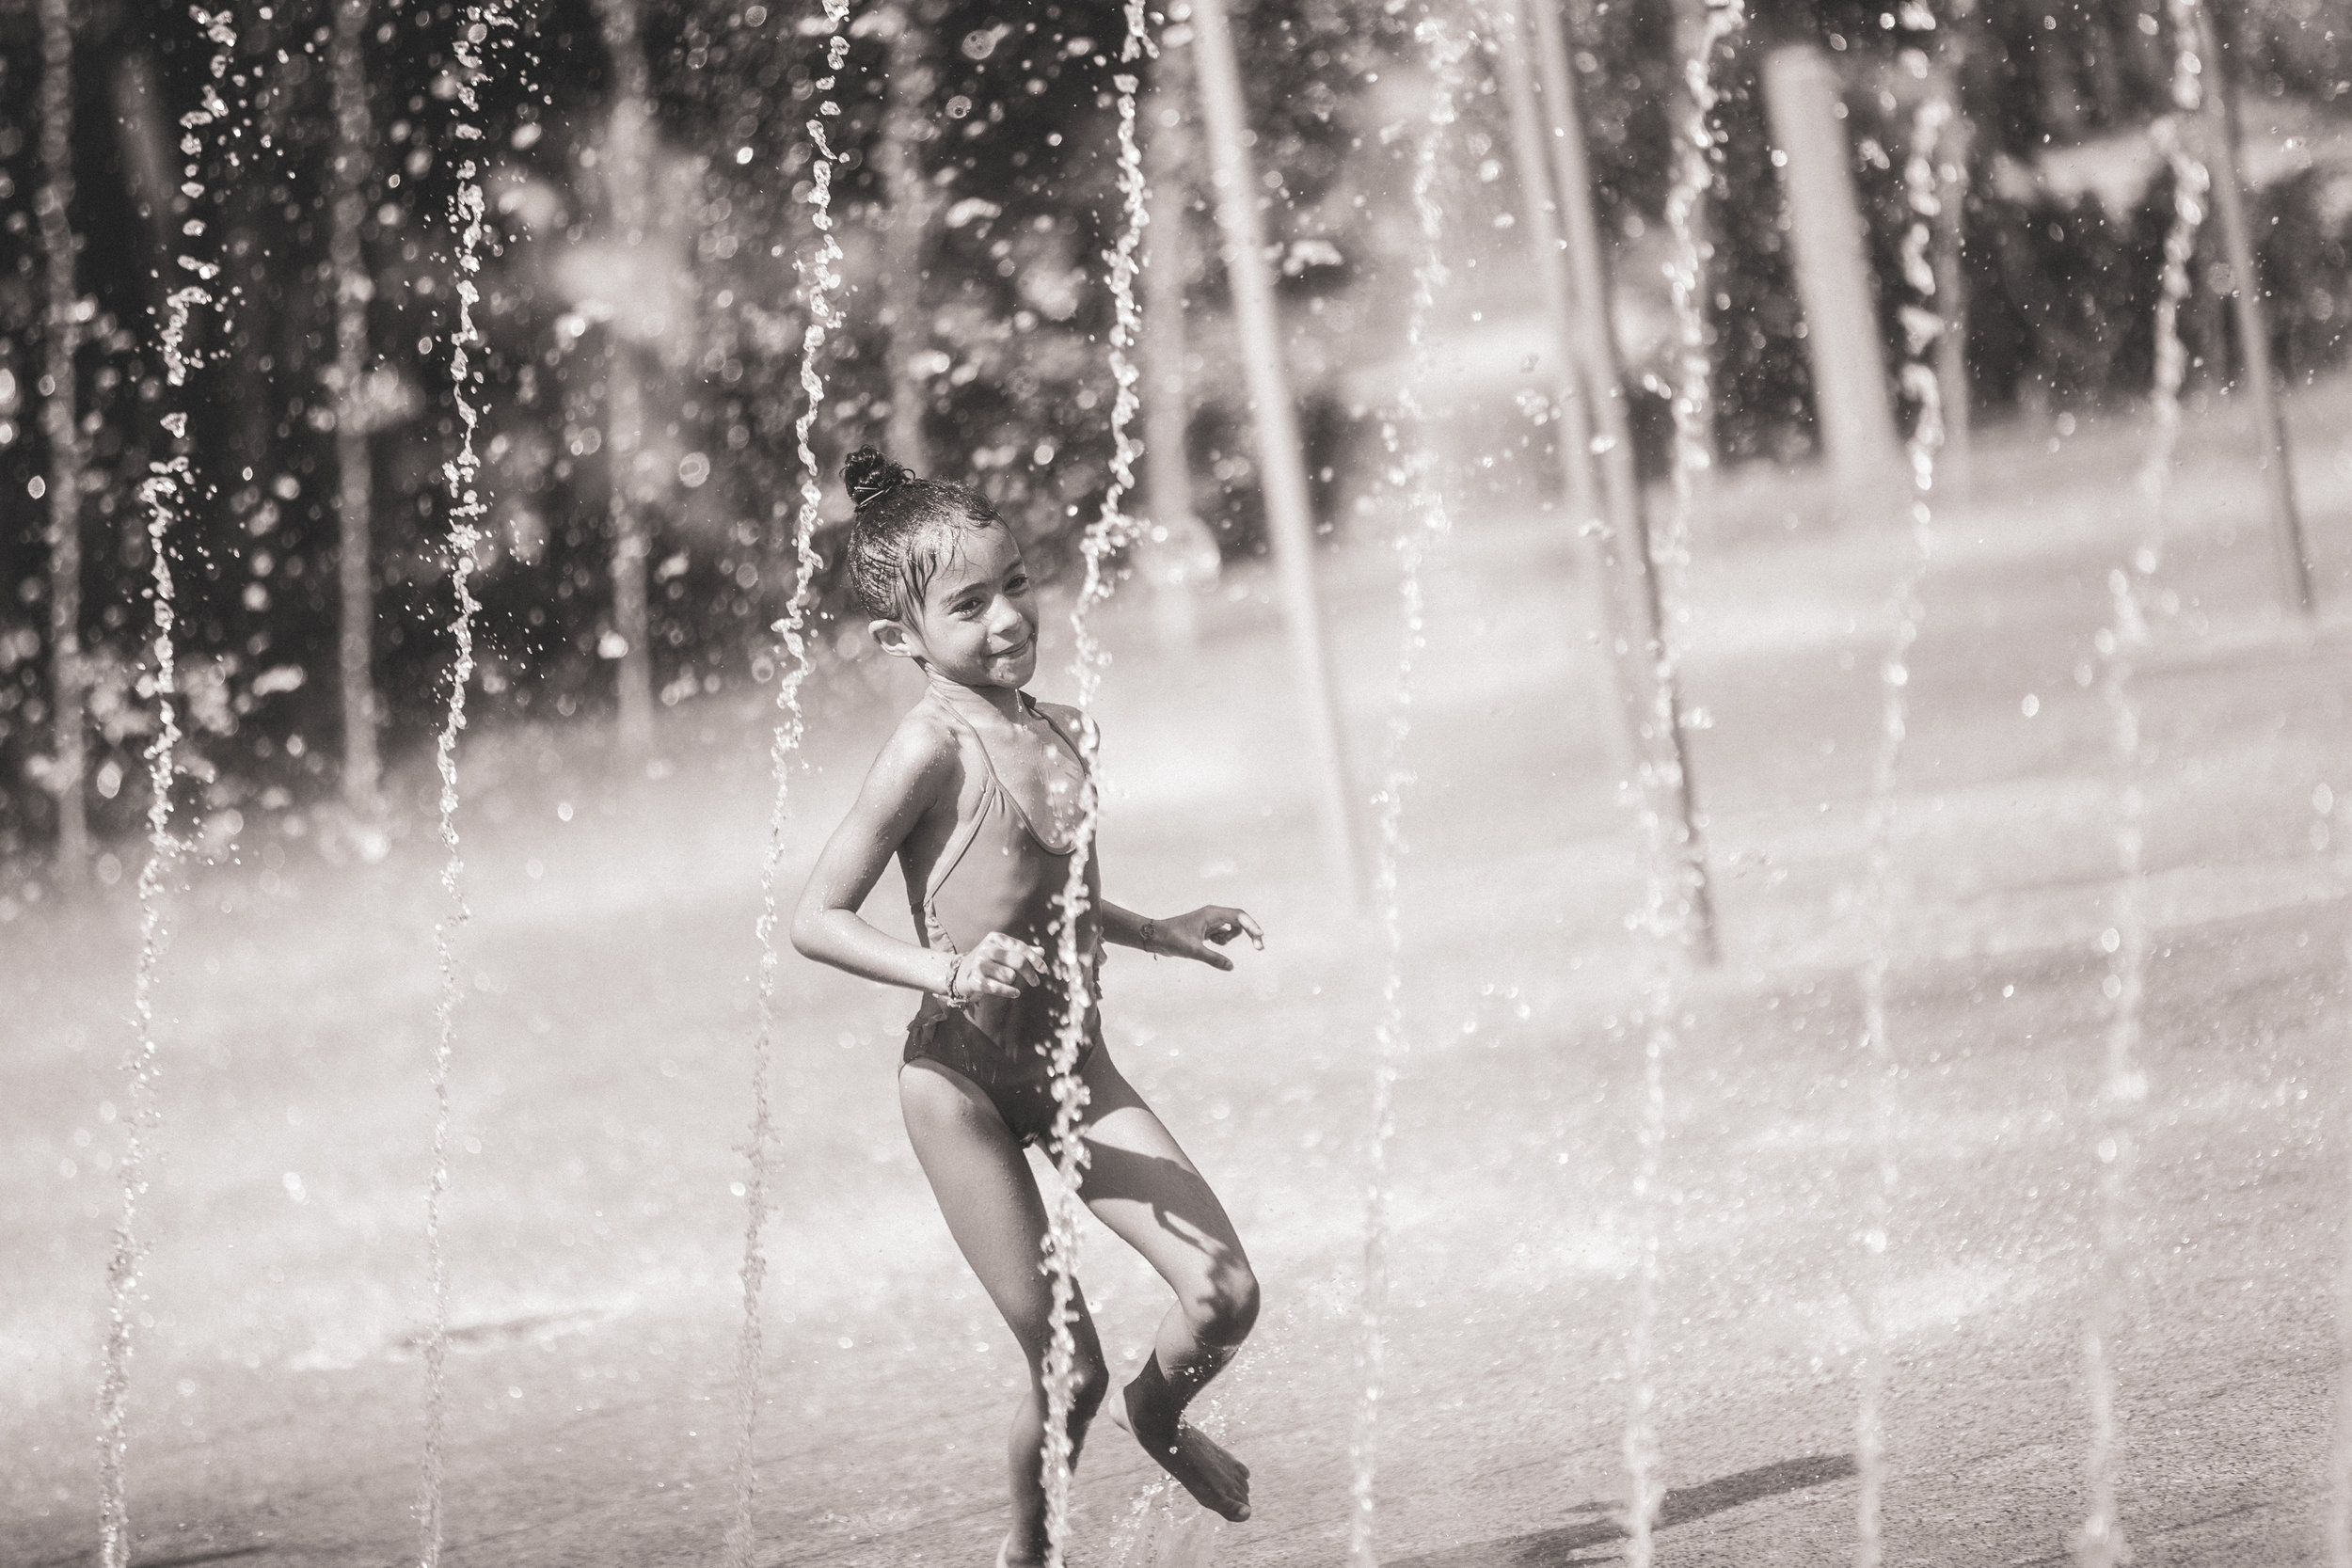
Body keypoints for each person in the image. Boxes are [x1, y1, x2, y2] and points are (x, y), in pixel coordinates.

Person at [791, 447, 1263, 1563]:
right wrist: (943, 973)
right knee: (1070, 1367)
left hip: (1070, 1062)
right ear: (902, 640)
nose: (1007, 615)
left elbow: (1067, 903)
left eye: (1016, 582)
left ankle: (1161, 1415)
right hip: (958, 1082)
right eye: (969, 603)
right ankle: (1031, 1552)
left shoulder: (1068, 731)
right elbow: (815, 917)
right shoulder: (927, 748)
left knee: (1225, 1290)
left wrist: (1164, 930)